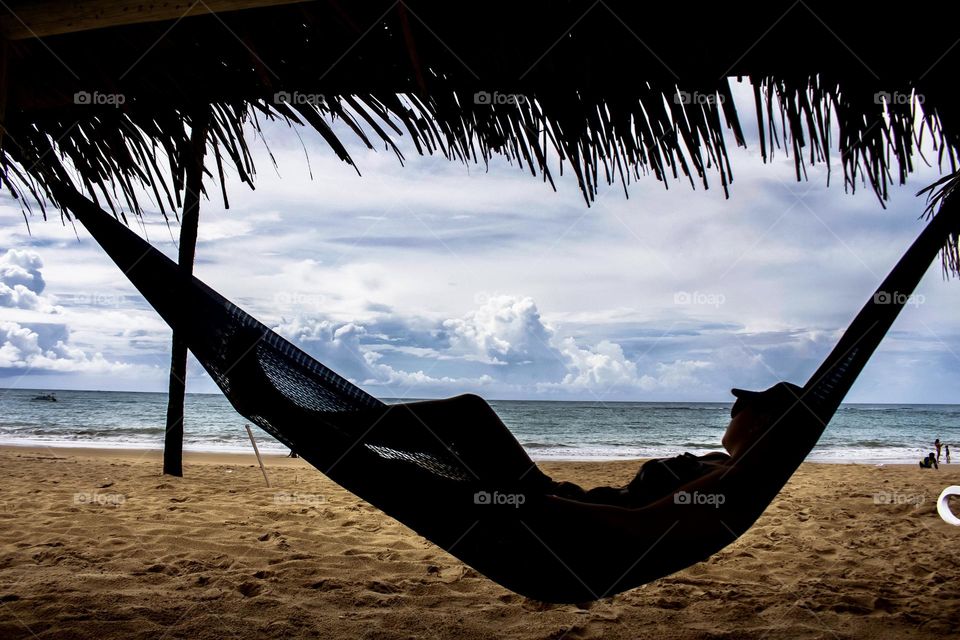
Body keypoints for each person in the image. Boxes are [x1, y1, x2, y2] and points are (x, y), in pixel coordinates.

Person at [549, 381, 805, 507]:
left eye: (740, 407)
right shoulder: (719, 460)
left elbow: (639, 523)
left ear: (760, 422)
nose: (733, 412)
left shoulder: (727, 478)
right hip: (574, 501)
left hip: (574, 521)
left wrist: (552, 504)